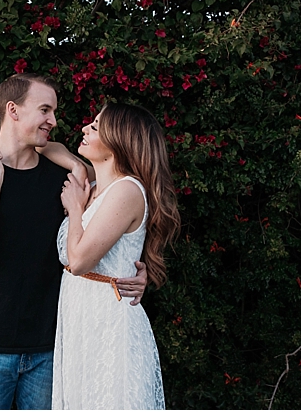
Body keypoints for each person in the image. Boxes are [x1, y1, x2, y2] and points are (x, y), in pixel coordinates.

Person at [0, 74, 148, 409]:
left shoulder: (66, 182)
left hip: (51, 349)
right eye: (45, 110)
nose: (54, 120)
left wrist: (132, 270)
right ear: (13, 110)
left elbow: (116, 214)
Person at [53, 102, 180, 409]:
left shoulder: (126, 191)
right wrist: (79, 169)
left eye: (95, 127)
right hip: (80, 318)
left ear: (116, 142)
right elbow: (50, 146)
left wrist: (74, 209)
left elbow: (80, 261)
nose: (84, 128)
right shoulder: (94, 186)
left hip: (109, 324)